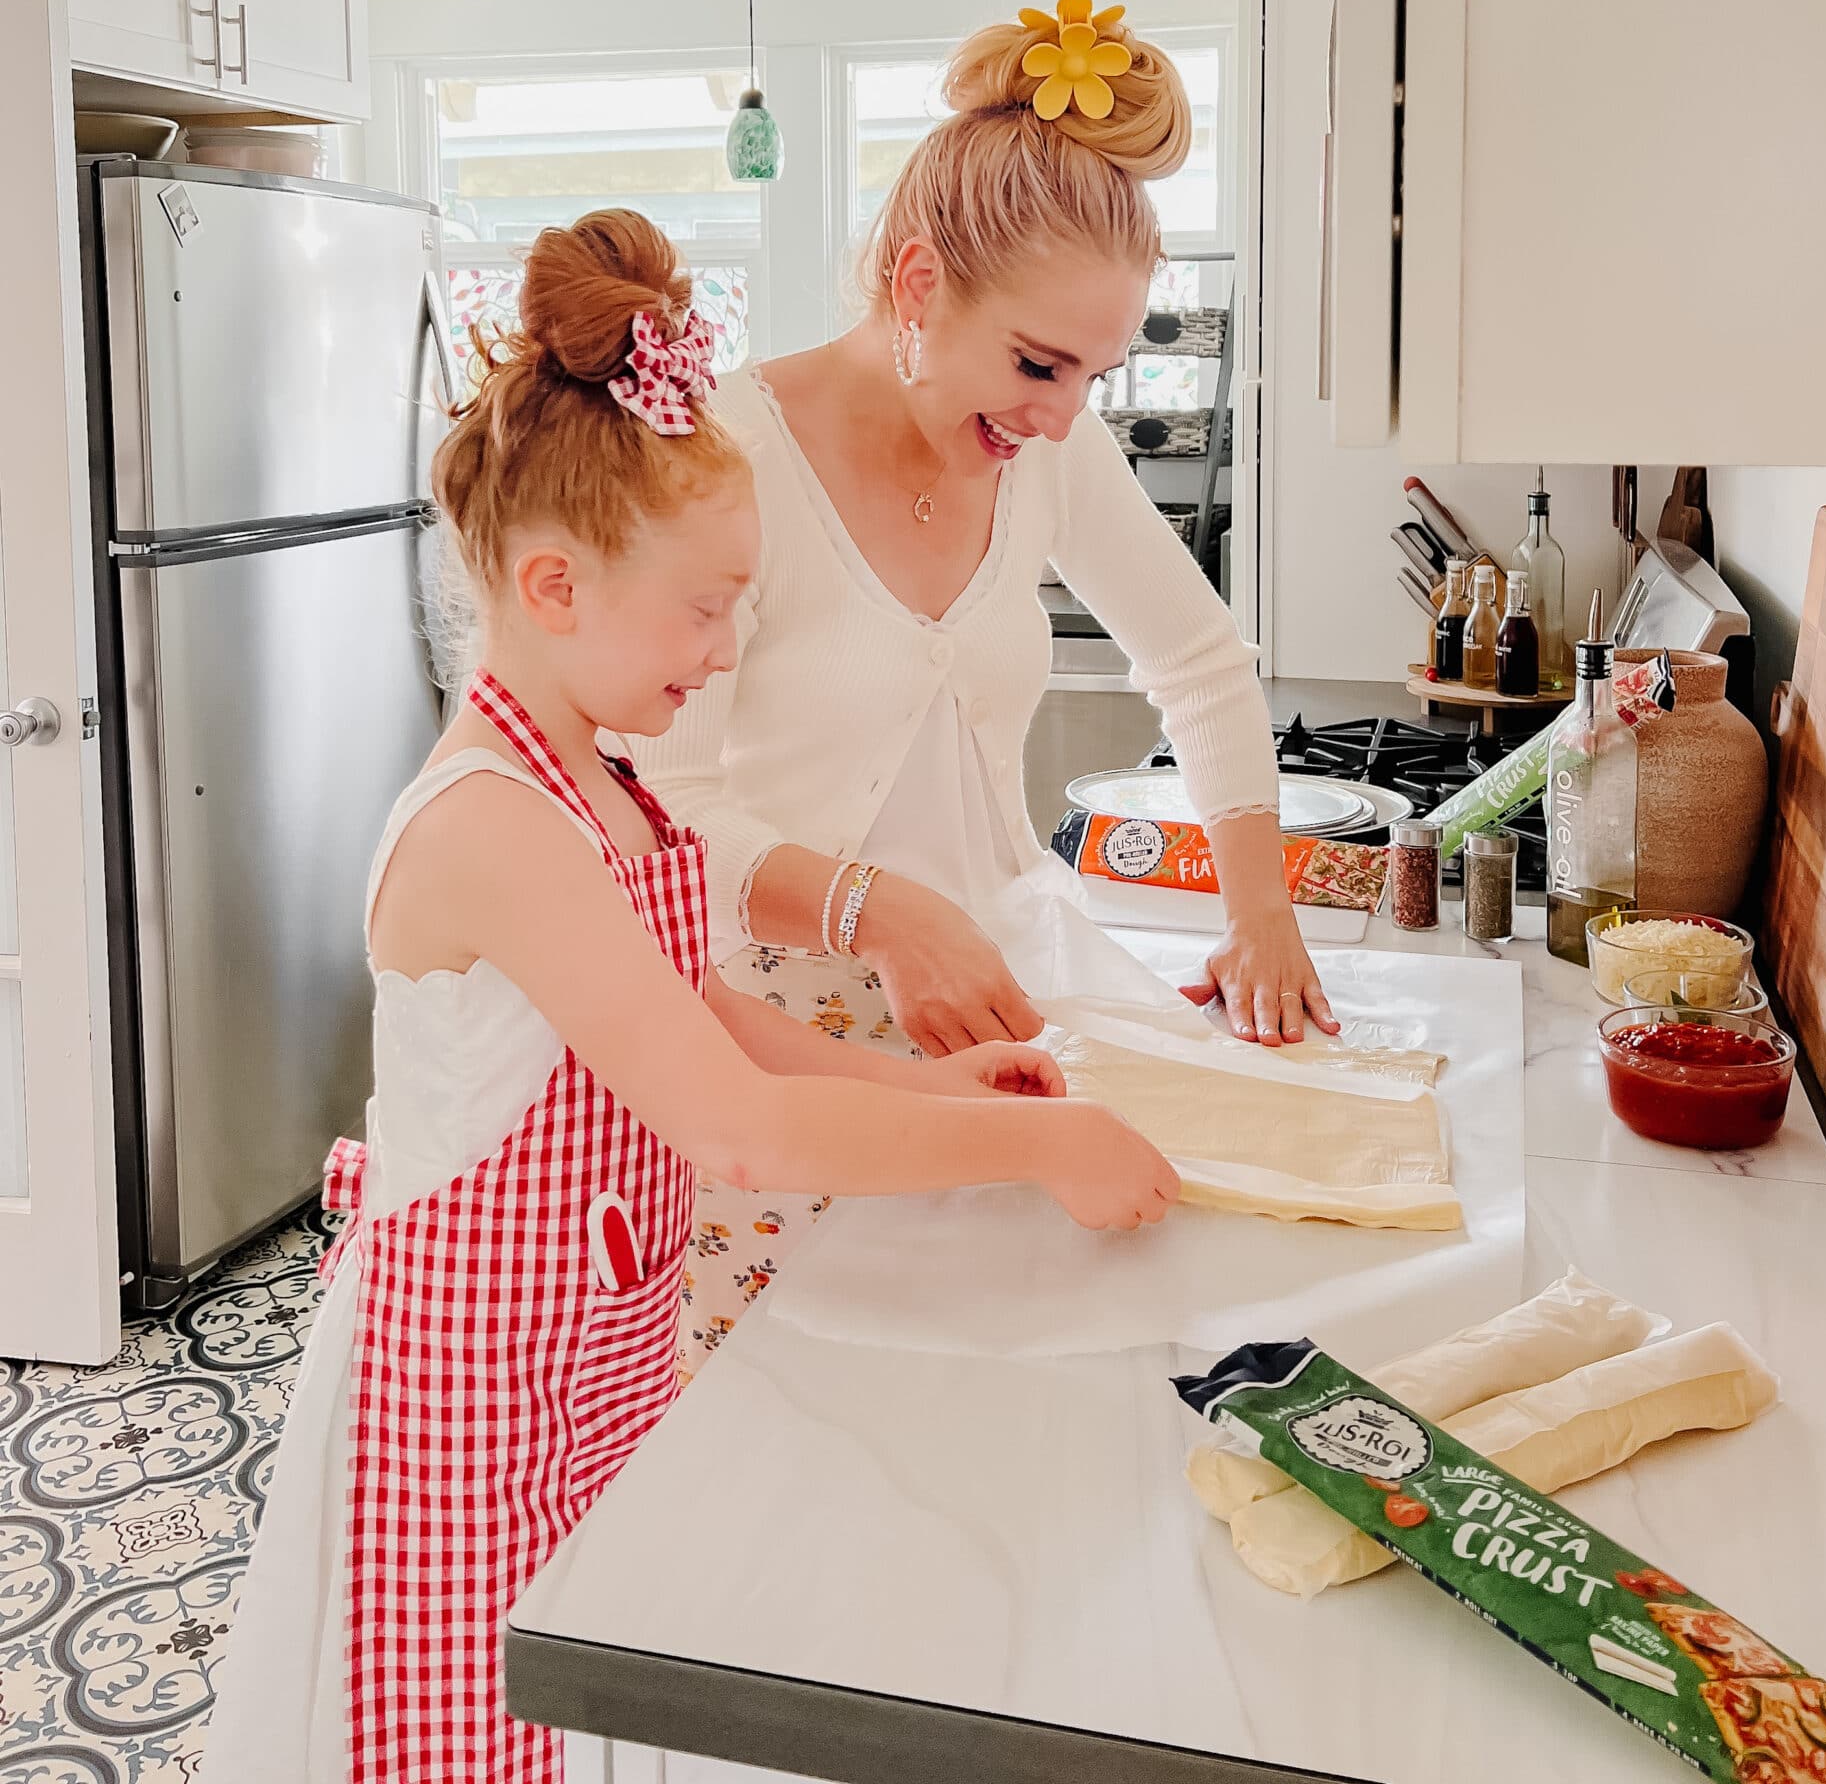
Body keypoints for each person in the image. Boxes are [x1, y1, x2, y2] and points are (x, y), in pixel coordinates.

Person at [200, 209, 1176, 1784]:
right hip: (465, 1399)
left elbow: (717, 1018)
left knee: (598, 1709)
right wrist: (1041, 1154)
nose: (726, 654)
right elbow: (735, 1130)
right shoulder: (493, 827)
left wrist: (948, 1092)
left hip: (584, 1347)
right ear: (555, 585)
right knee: (478, 1737)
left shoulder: (607, 780)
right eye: (706, 607)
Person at [629, 0, 1337, 1374]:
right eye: (1037, 364)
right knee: (782, 1418)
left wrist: (1261, 914)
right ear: (915, 289)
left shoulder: (1051, 451)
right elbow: (652, 806)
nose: (1065, 415)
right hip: (771, 1044)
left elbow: (1195, 658)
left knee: (991, 1413)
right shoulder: (726, 460)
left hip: (996, 1017)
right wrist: (875, 908)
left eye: (1097, 374)